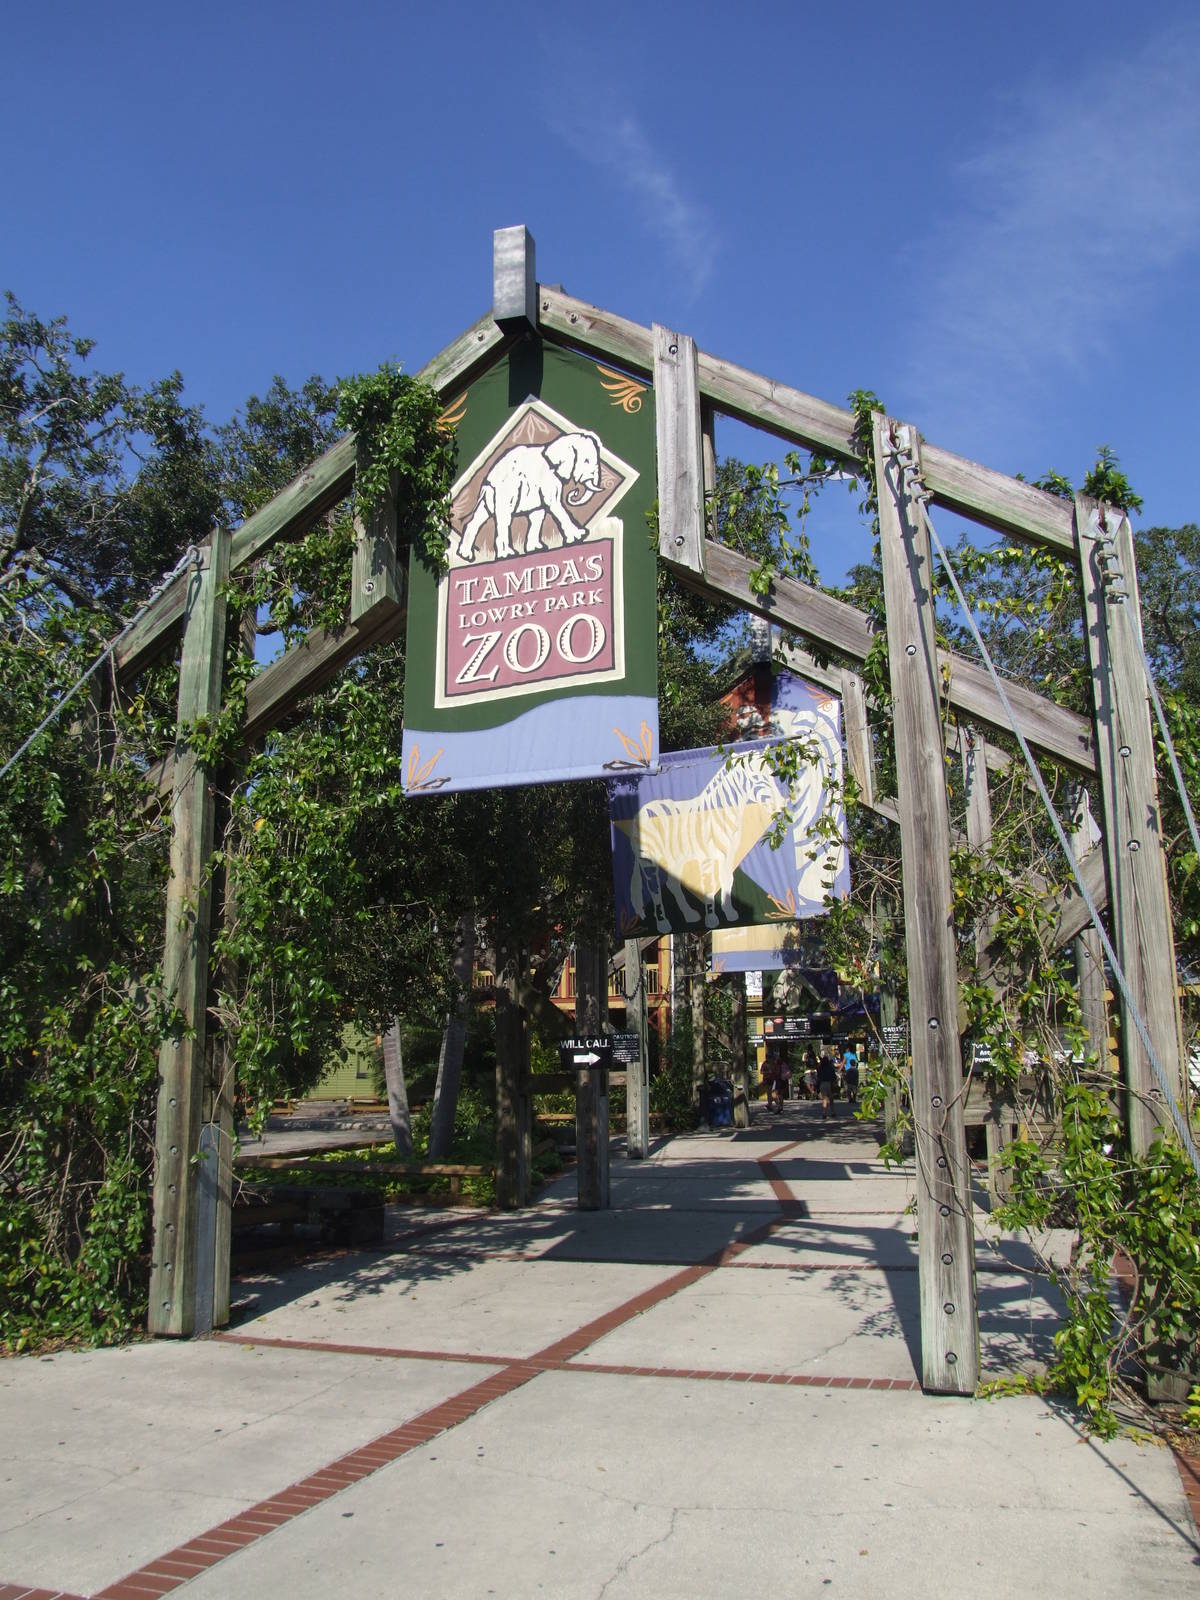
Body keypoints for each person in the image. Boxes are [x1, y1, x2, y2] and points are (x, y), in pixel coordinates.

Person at [816, 1048, 837, 1119]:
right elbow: (834, 1077)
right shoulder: (830, 1068)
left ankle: (824, 1112)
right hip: (829, 1084)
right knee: (831, 1099)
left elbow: (818, 1076)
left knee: (824, 1098)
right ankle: (832, 1112)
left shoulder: (820, 1069)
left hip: (822, 1084)